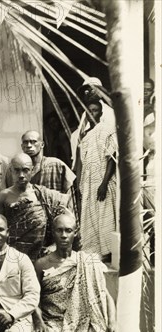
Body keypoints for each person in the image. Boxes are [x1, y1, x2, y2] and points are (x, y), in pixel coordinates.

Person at [0, 153, 70, 262]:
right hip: (12, 255)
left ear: (32, 170)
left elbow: (66, 217)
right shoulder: (4, 196)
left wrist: (55, 244)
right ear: (11, 171)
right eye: (17, 170)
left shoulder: (43, 195)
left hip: (40, 255)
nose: (21, 175)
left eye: (25, 170)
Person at [74, 100, 117, 261]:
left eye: (95, 110)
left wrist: (104, 184)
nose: (92, 113)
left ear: (101, 112)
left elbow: (112, 158)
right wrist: (81, 182)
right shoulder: (85, 134)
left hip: (103, 178)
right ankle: (94, 251)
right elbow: (82, 162)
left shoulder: (107, 130)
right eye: (88, 110)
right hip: (89, 180)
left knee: (105, 215)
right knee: (90, 216)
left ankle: (107, 252)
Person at [5, 130, 75, 194]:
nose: (29, 145)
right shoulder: (13, 168)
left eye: (33, 142)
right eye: (25, 142)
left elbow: (70, 196)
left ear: (42, 145)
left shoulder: (56, 165)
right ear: (22, 146)